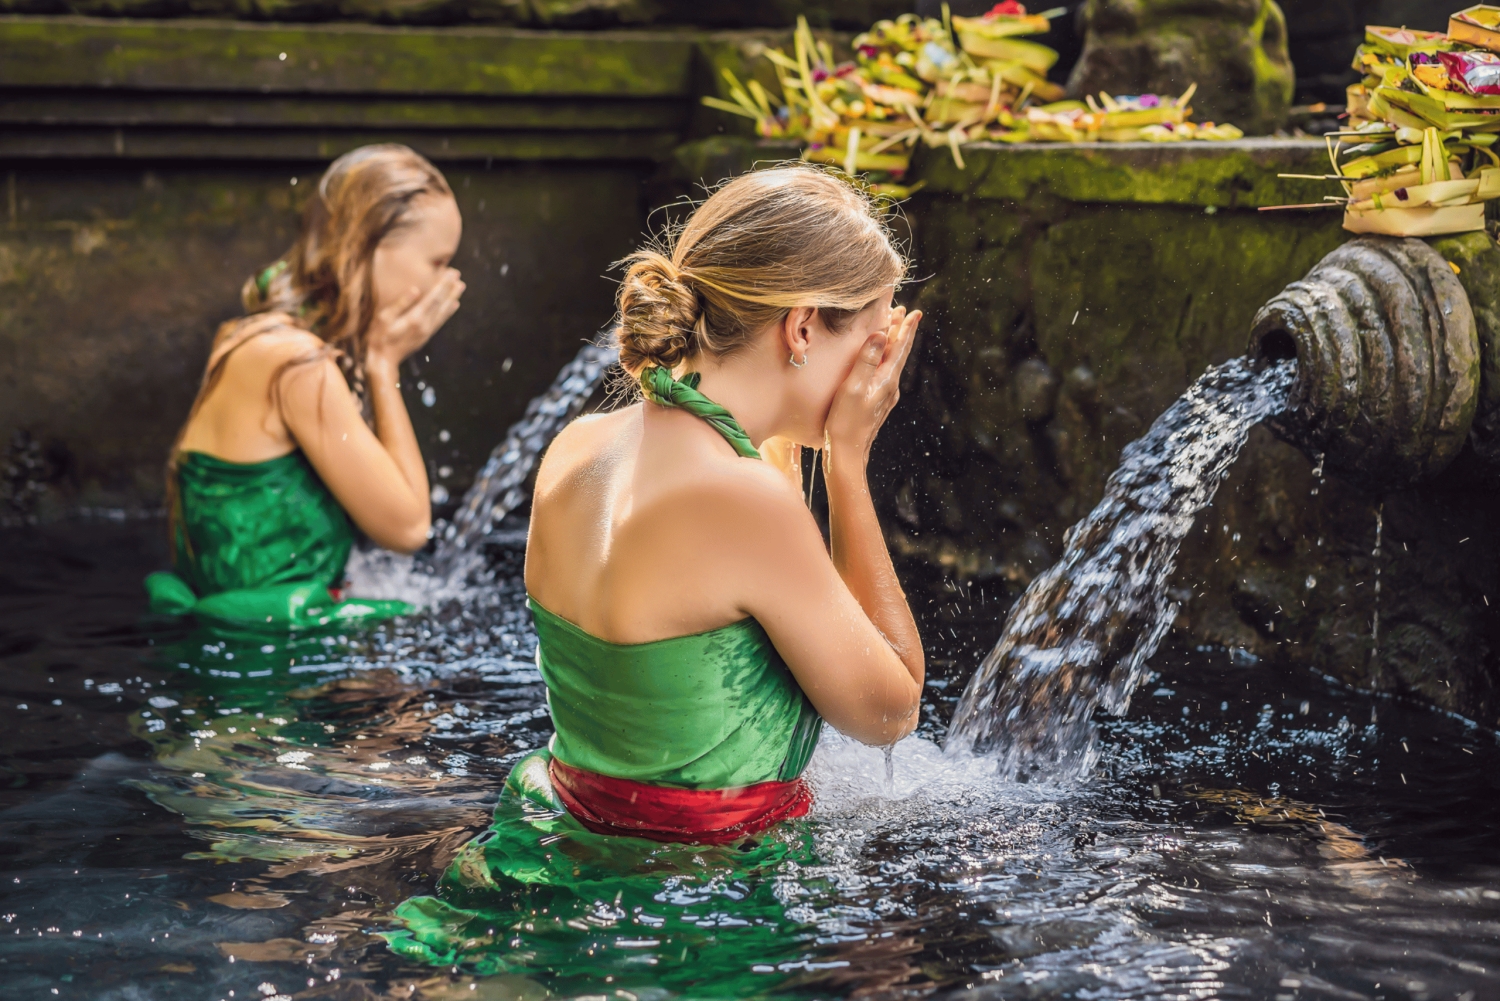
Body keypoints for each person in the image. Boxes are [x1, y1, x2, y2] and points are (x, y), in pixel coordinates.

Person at [518, 163, 926, 844]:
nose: (879, 373)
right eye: (873, 342)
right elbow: (889, 713)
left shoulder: (577, 446)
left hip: (553, 839)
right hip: (695, 904)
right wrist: (847, 464)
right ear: (801, 329)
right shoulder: (746, 497)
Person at [144, 144, 465, 629]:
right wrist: (383, 365)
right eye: (438, 262)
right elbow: (408, 527)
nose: (451, 282)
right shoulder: (296, 365)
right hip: (268, 666)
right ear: (370, 248)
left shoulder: (250, 336)